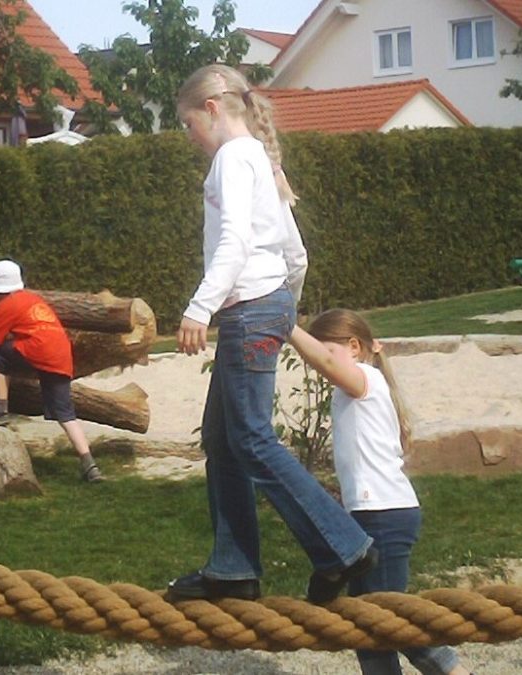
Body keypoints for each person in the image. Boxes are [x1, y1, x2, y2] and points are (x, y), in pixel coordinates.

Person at [166, 63, 377, 605]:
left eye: (189, 124)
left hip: (246, 310)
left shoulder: (232, 159)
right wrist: (285, 308)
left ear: (212, 109)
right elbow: (295, 252)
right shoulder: (260, 157)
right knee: (223, 437)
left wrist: (199, 308)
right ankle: (234, 569)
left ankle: (343, 547)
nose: (189, 138)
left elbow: (234, 242)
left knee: (252, 438)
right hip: (267, 304)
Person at [288, 309, 473, 675]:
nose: (318, 366)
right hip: (372, 514)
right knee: (369, 628)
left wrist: (286, 325)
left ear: (354, 348)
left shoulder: (367, 380)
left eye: (326, 352)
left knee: (390, 623)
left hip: (386, 516)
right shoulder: (351, 389)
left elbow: (326, 361)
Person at [0, 259, 104, 483]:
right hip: (61, 357)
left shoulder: (6, 306)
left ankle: (0, 409)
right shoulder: (32, 299)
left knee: (0, 354)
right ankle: (90, 466)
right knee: (66, 415)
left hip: (39, 352)